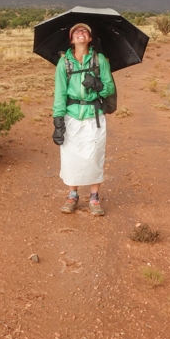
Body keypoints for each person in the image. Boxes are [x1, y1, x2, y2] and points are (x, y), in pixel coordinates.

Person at [51, 22, 116, 216]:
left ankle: (94, 198)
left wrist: (97, 85)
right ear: (72, 39)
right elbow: (60, 92)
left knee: (94, 156)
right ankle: (72, 196)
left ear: (89, 38)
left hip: (93, 116)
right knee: (71, 157)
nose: (81, 33)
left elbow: (109, 88)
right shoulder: (64, 63)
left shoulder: (100, 60)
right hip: (71, 116)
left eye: (85, 31)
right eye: (76, 31)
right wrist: (58, 120)